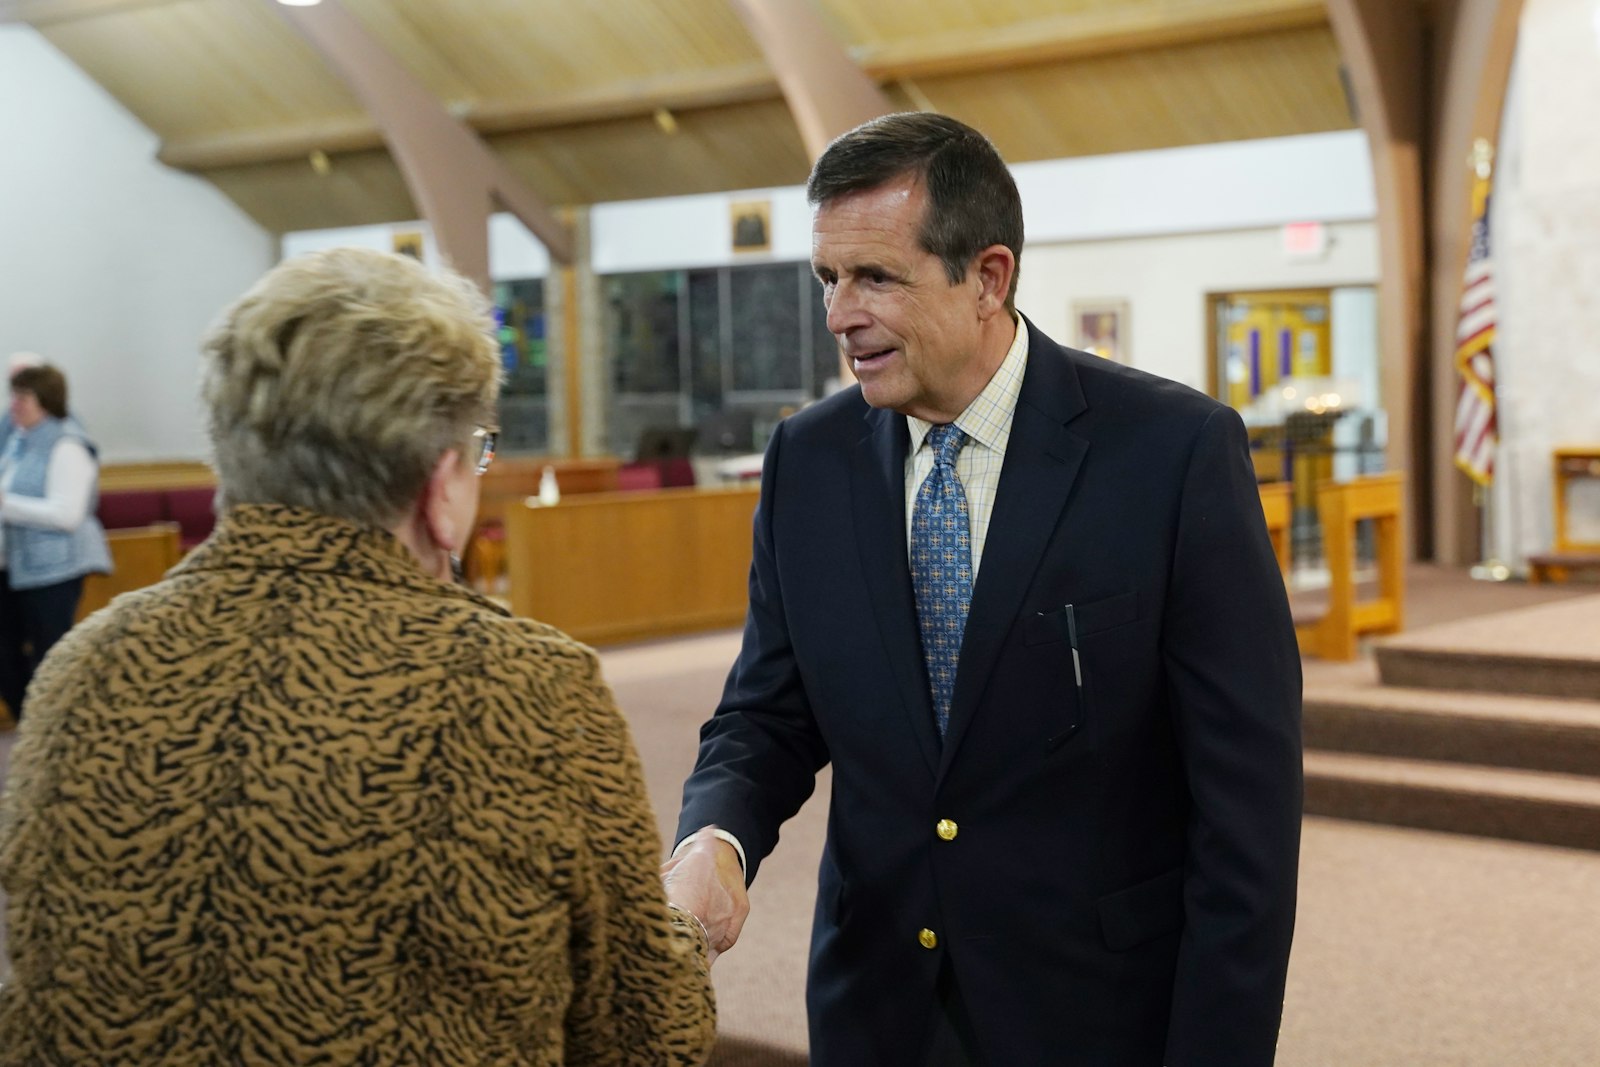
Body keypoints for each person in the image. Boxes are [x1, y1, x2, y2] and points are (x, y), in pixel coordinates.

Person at [666, 113, 1302, 1066]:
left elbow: (1246, 816)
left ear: (989, 277)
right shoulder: (809, 460)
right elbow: (768, 710)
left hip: (1094, 1015)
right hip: (876, 1008)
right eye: (827, 278)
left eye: (876, 276)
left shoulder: (1171, 455)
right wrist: (715, 837)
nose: (840, 314)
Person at [0, 249, 716, 1065]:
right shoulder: (520, 685)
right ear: (440, 483)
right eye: (479, 451)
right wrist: (689, 917)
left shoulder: (77, 671)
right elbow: (643, 1034)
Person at [0, 363, 112, 722]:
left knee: (51, 656)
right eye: (13, 395)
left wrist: (5, 506)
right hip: (16, 566)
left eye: (23, 396)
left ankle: (57, 730)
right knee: (6, 655)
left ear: (45, 399)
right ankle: (31, 724)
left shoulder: (67, 445)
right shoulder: (19, 442)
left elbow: (67, 515)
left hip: (55, 571)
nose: (14, 404)